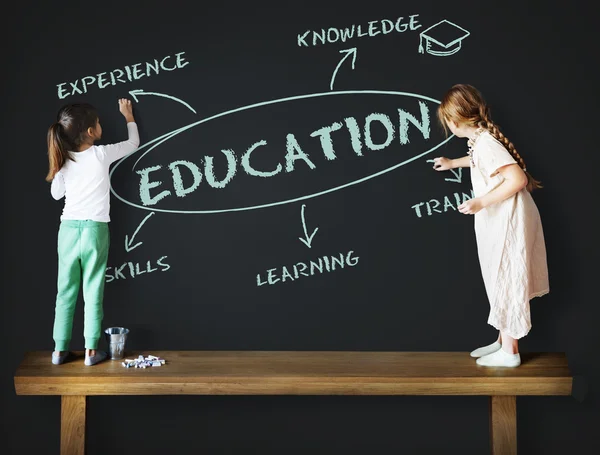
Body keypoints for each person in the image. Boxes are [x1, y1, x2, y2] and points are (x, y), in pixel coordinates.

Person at [432, 84, 549, 367]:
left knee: (506, 276)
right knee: (500, 276)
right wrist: (452, 163)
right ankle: (502, 341)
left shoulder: (485, 143)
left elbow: (517, 179)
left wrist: (480, 202)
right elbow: (479, 162)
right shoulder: (480, 141)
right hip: (503, 218)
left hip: (509, 218)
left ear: (455, 120)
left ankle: (510, 351)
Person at [46, 99, 140, 365]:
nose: (100, 126)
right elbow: (133, 144)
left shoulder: (64, 161)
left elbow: (56, 196)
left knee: (64, 291)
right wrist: (128, 116)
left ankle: (59, 350)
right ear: (90, 132)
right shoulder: (100, 154)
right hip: (95, 230)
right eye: (97, 123)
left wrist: (58, 169)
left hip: (67, 230)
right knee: (93, 290)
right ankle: (90, 351)